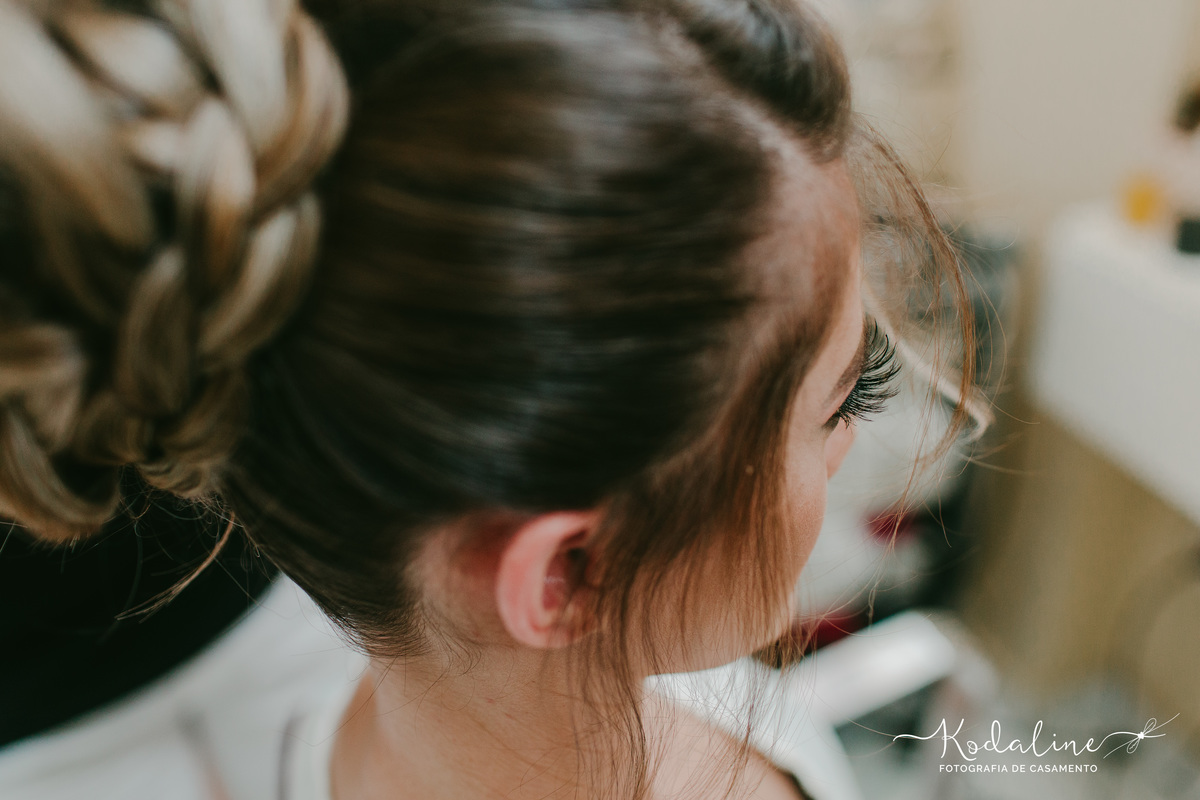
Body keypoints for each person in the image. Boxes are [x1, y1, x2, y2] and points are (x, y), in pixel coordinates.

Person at [0, 0, 986, 798]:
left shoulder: (346, 704)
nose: (856, 438)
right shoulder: (721, 726)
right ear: (563, 571)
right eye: (844, 396)